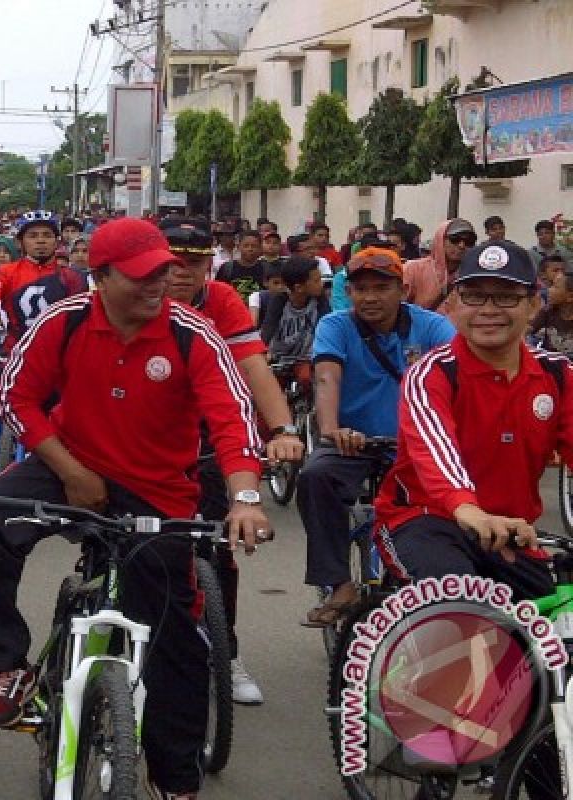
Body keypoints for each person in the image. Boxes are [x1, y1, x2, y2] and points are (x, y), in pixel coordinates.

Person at [0, 217, 270, 800]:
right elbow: (15, 398)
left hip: (156, 490)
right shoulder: (64, 321)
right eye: (142, 276)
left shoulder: (193, 334)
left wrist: (246, 497)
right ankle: (5, 667)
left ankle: (175, 781)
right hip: (65, 466)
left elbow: (232, 421)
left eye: (165, 273)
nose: (158, 285)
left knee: (176, 641)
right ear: (100, 277)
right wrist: (72, 472)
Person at [375, 239, 562, 622]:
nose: (488, 311)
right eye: (474, 296)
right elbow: (435, 451)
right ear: (454, 304)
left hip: (510, 531)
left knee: (556, 617)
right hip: (425, 520)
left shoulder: (558, 374)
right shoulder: (432, 372)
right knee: (461, 607)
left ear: (533, 304)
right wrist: (470, 511)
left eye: (506, 297)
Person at [161, 216, 302, 706]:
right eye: (173, 262)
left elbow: (253, 366)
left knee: (218, 548)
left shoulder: (221, 300)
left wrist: (283, 428)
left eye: (195, 262)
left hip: (210, 431)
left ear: (209, 265)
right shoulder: (136, 298)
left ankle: (226, 650)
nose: (182, 272)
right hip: (142, 435)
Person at [297, 247, 455, 626]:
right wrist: (333, 430)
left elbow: (457, 379)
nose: (370, 297)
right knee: (315, 477)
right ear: (348, 293)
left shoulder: (432, 327)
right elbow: (326, 377)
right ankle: (338, 583)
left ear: (402, 289)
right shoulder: (335, 326)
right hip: (353, 441)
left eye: (381, 287)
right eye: (360, 288)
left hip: (419, 445)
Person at [0, 211, 88, 483]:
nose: (40, 242)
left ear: (57, 242)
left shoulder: (71, 278)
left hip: (58, 359)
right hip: (14, 351)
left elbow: (84, 317)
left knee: (72, 413)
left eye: (47, 236)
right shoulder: (6, 273)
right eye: (33, 236)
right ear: (21, 242)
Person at [260, 256, 328, 361]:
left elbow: (326, 331)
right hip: (278, 361)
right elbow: (267, 330)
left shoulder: (320, 300)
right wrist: (263, 353)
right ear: (298, 288)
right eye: (317, 281)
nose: (321, 283)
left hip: (308, 363)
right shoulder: (279, 301)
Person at [402, 218, 476, 311]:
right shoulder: (413, 269)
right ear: (440, 239)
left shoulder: (472, 275)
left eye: (468, 241)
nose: (461, 245)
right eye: (455, 239)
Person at [215, 229, 266, 302]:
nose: (250, 249)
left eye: (254, 246)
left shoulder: (265, 268)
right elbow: (218, 293)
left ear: (260, 248)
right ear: (239, 247)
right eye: (246, 246)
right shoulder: (227, 268)